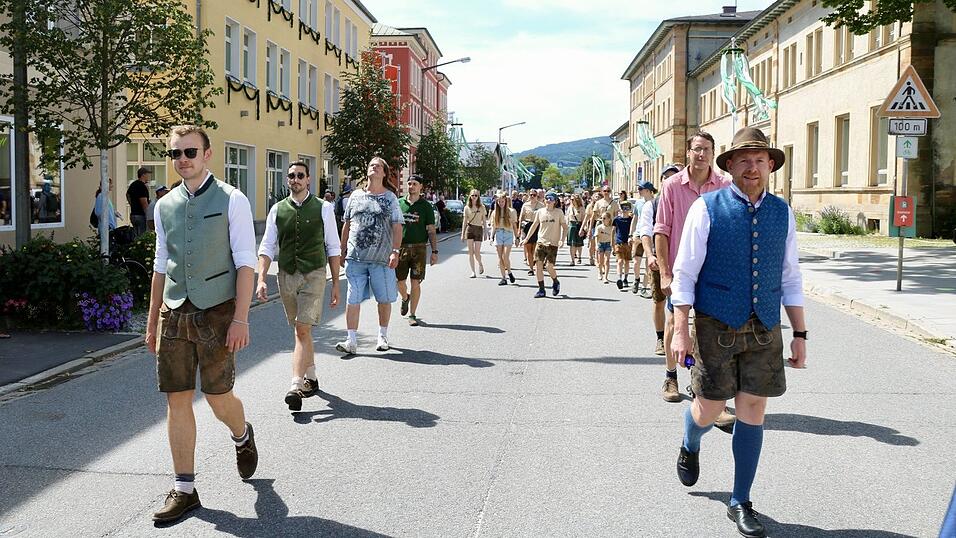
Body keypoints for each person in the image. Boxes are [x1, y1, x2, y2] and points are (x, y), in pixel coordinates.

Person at [672, 127, 807, 538]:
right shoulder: (706, 208)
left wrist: (800, 333)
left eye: (760, 160)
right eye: (744, 160)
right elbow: (684, 274)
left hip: (764, 326)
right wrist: (680, 331)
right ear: (729, 166)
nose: (753, 167)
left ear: (770, 166)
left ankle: (740, 500)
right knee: (709, 409)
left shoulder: (782, 212)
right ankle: (690, 440)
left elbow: (790, 276)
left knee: (753, 410)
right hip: (715, 324)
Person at [145, 125, 258, 523]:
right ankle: (185, 489)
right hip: (174, 313)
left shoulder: (232, 199)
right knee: (177, 398)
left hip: (218, 313)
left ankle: (242, 434)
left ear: (207, 154)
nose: (182, 159)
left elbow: (246, 262)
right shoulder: (164, 205)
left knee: (217, 398)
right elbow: (161, 264)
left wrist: (241, 318)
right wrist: (152, 320)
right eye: (175, 153)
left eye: (190, 151)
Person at [654, 132, 733, 413]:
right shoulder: (672, 186)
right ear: (688, 152)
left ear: (713, 153)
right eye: (697, 149)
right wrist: (665, 272)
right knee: (675, 324)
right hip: (680, 270)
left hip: (713, 273)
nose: (701, 154)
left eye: (706, 149)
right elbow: (661, 230)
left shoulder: (724, 185)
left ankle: (709, 392)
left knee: (712, 331)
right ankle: (670, 377)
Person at [256, 161, 341, 411]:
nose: (295, 179)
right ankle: (311, 377)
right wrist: (261, 278)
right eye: (291, 176)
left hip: (314, 273)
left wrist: (336, 283)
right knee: (300, 330)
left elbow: (333, 246)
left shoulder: (324, 208)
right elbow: (267, 246)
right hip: (286, 275)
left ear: (308, 179)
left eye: (300, 175)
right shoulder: (277, 209)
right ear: (288, 180)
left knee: (302, 329)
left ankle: (295, 385)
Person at [335, 157, 404, 354]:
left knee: (383, 299)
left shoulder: (390, 198)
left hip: (381, 259)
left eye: (379, 166)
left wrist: (395, 251)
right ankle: (351, 340)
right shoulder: (355, 196)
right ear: (367, 171)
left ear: (384, 173)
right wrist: (342, 250)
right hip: (355, 258)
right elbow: (347, 224)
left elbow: (397, 226)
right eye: (371, 165)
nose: (374, 167)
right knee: (353, 298)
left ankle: (382, 335)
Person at [397, 174, 438, 326]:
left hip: (419, 249)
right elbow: (392, 227)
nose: (411, 186)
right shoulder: (399, 203)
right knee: (399, 281)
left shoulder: (426, 206)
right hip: (401, 248)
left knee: (415, 282)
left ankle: (412, 314)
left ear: (420, 187)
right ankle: (405, 297)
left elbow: (431, 230)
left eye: (415, 184)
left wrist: (434, 252)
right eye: (409, 183)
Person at [638, 178, 667, 355]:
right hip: (657, 259)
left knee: (684, 303)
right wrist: (649, 255)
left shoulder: (688, 201)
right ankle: (660, 338)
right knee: (659, 302)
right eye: (666, 177)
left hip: (681, 259)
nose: (670, 180)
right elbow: (646, 231)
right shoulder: (653, 205)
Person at [522, 191, 568, 298]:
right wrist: (526, 238)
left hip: (553, 244)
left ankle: (555, 281)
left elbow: (565, 228)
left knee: (549, 266)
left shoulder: (559, 212)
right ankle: (541, 289)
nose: (548, 200)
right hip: (541, 242)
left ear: (555, 201)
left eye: (551, 198)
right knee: (538, 266)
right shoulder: (540, 212)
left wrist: (562, 240)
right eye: (546, 198)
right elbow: (534, 225)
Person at [490, 189, 519, 286]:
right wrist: (491, 237)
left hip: (508, 233)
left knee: (505, 256)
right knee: (500, 257)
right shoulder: (495, 213)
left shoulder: (511, 211)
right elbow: (494, 226)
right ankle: (503, 278)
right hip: (498, 234)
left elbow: (514, 226)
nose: (501, 203)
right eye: (499, 202)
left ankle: (509, 272)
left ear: (506, 201)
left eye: (502, 201)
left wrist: (517, 237)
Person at [461, 188, 487, 278]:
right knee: (470, 252)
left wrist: (486, 232)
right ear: (470, 196)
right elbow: (464, 221)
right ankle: (473, 271)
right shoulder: (467, 207)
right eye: (473, 195)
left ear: (478, 197)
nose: (474, 197)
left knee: (477, 252)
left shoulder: (482, 207)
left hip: (479, 229)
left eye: (476, 195)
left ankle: (480, 263)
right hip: (470, 228)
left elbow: (484, 221)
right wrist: (462, 234)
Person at [518, 190, 543, 275]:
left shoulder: (541, 205)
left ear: (537, 196)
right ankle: (531, 268)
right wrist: (519, 229)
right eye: (531, 195)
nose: (532, 196)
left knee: (535, 249)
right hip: (527, 226)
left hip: (537, 226)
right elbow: (521, 218)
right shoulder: (525, 205)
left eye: (534, 195)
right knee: (529, 249)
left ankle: (536, 264)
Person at [612, 202, 634, 290]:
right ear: (621, 209)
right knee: (620, 261)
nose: (625, 210)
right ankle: (619, 278)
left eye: (627, 208)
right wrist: (612, 243)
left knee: (627, 261)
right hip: (619, 243)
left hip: (628, 243)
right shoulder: (617, 219)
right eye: (623, 208)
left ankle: (625, 278)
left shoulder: (631, 220)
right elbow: (613, 231)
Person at [127, 167, 151, 236]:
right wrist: (148, 216)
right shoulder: (142, 186)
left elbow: (127, 194)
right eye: (147, 174)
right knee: (142, 236)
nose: (148, 176)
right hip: (140, 215)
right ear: (143, 175)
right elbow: (144, 202)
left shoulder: (133, 184)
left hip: (133, 214)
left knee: (136, 235)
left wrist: (132, 204)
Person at [594, 212, 613, 284]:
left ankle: (606, 277)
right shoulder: (599, 227)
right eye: (602, 218)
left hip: (608, 244)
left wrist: (613, 246)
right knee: (600, 261)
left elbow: (613, 237)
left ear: (609, 219)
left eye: (604, 218)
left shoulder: (611, 228)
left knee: (607, 261)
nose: (603, 220)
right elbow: (596, 237)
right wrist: (596, 245)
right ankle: (600, 272)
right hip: (601, 244)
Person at [566, 194, 585, 265]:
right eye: (571, 199)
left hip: (579, 226)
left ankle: (579, 257)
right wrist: (566, 227)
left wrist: (583, 228)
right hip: (571, 226)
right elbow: (567, 217)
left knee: (579, 244)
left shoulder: (581, 208)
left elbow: (583, 219)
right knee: (572, 244)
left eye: (572, 199)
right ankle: (572, 260)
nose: (571, 201)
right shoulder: (570, 208)